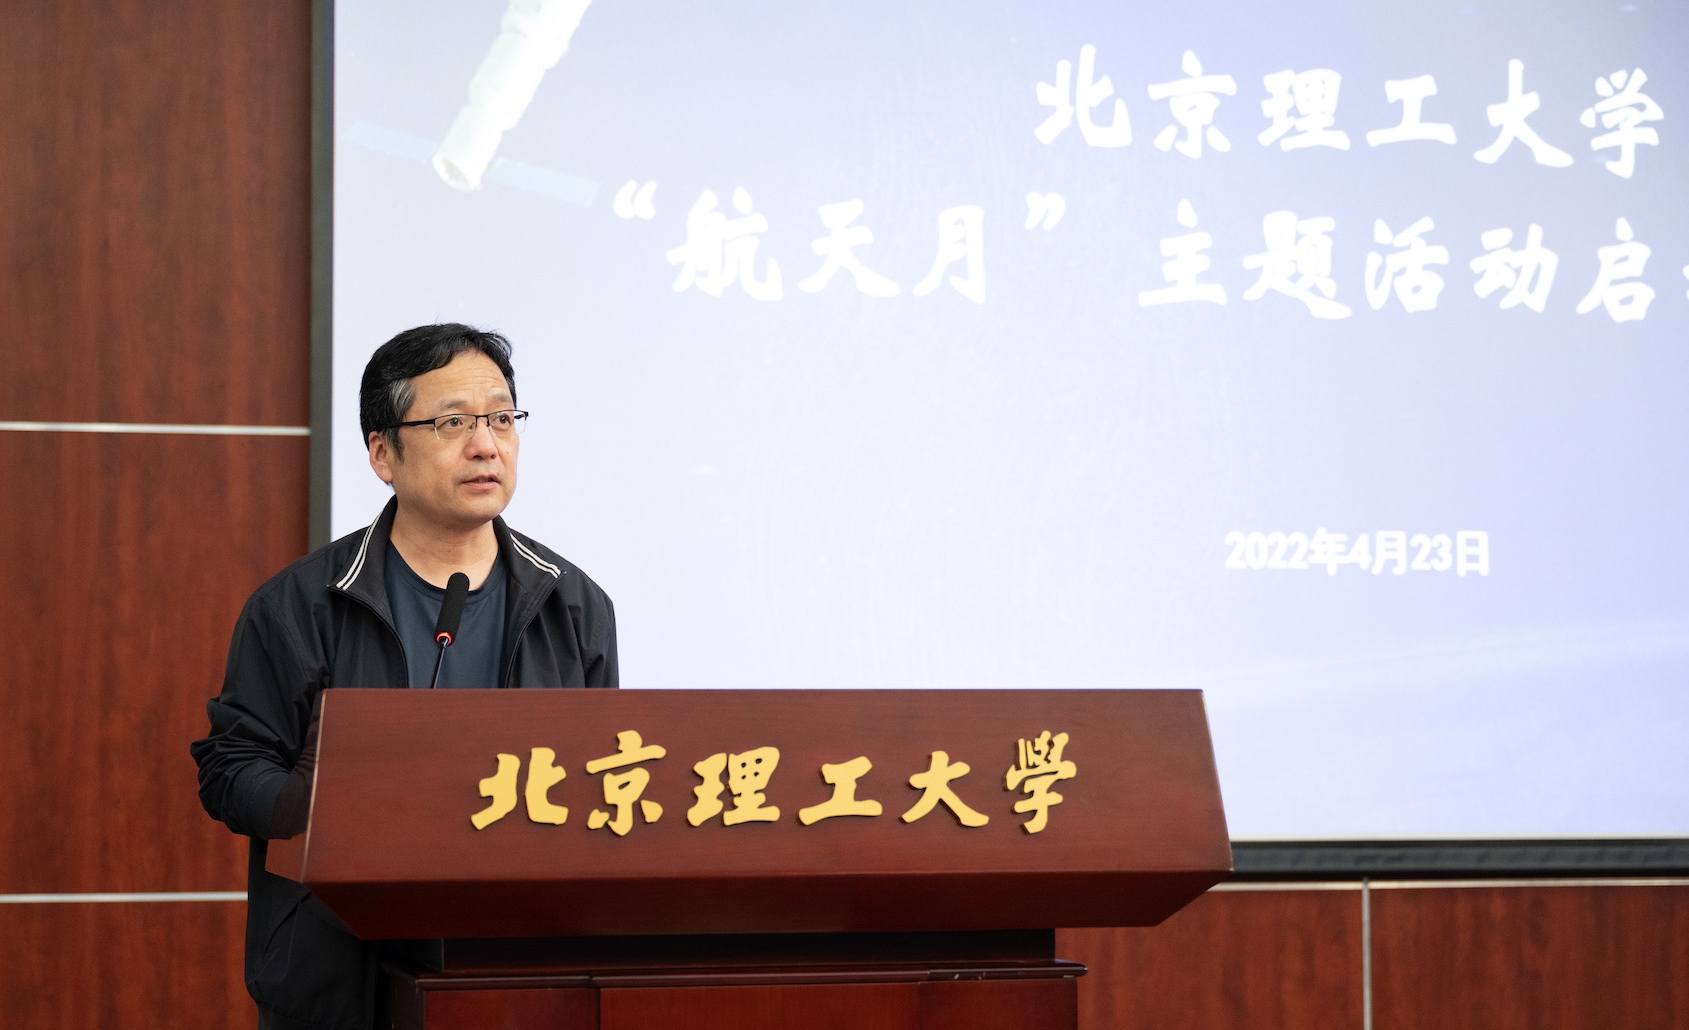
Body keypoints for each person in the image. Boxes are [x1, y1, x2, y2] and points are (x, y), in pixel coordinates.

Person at [190, 324, 617, 1030]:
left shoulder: (573, 606)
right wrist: (320, 810)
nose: (486, 445)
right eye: (453, 423)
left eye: (501, 419)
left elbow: (600, 780)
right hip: (336, 979)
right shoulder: (299, 606)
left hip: (517, 976)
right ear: (382, 453)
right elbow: (231, 767)